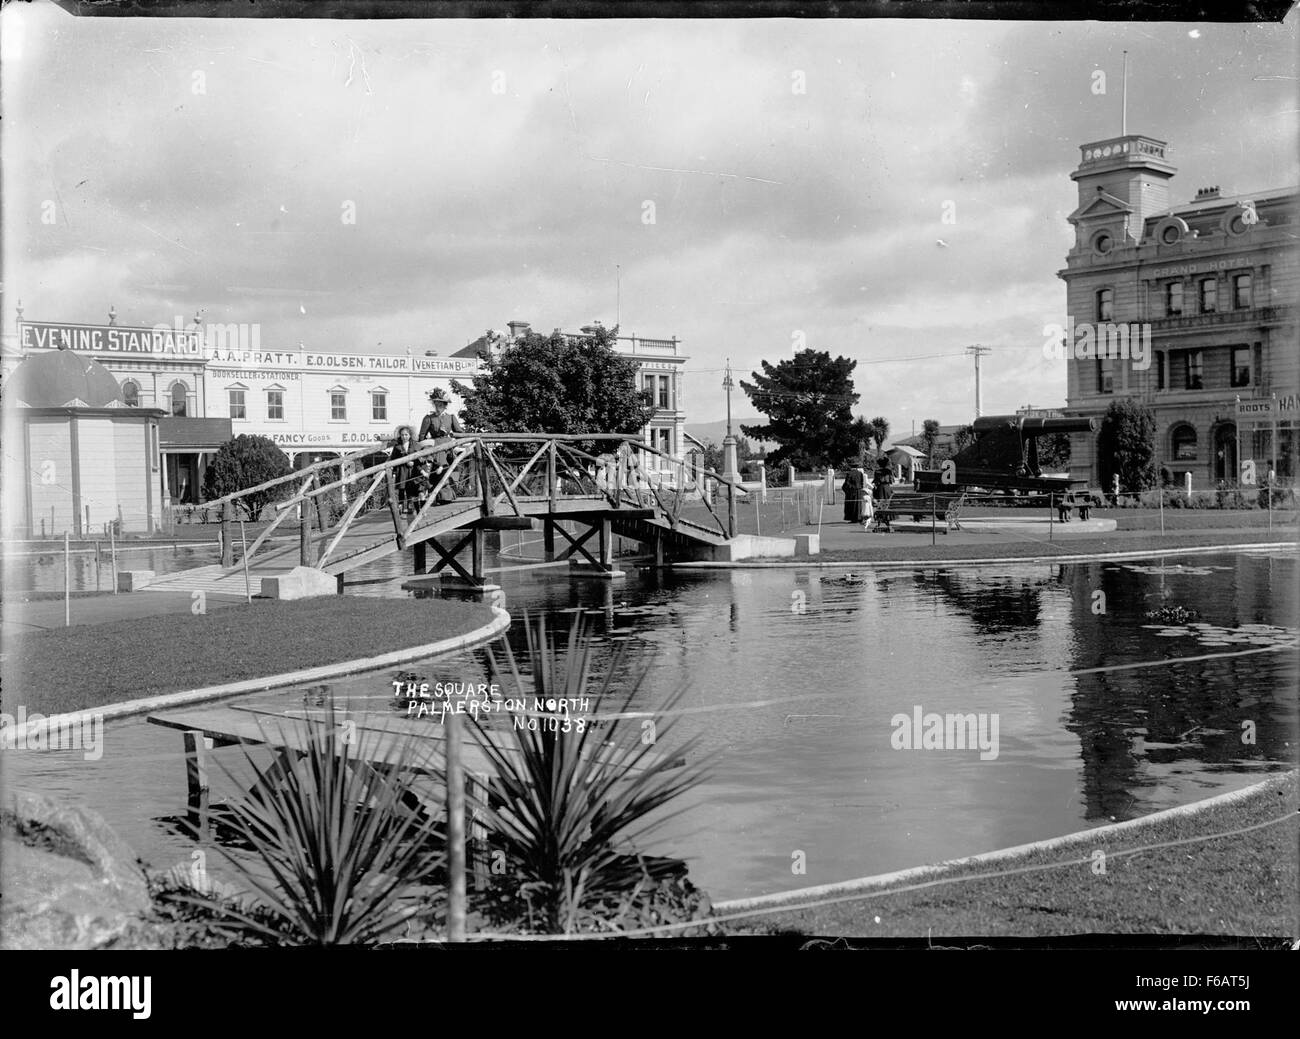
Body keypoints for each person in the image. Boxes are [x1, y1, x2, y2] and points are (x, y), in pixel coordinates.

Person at [417, 388, 465, 503]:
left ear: (445, 405)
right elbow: (422, 436)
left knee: (448, 465)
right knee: (439, 466)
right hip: (436, 445)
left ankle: (446, 492)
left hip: (449, 444)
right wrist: (424, 450)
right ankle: (441, 496)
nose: (438, 406)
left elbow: (459, 432)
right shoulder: (429, 418)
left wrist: (463, 438)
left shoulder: (450, 417)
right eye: (436, 403)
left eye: (440, 404)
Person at [388, 425, 419, 512]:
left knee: (411, 487)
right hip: (401, 470)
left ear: (409, 435)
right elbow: (393, 458)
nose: (404, 437)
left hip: (412, 469)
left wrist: (414, 462)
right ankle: (400, 506)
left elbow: (419, 457)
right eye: (402, 435)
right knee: (402, 488)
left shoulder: (414, 444)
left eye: (406, 435)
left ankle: (410, 506)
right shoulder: (397, 446)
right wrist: (394, 471)